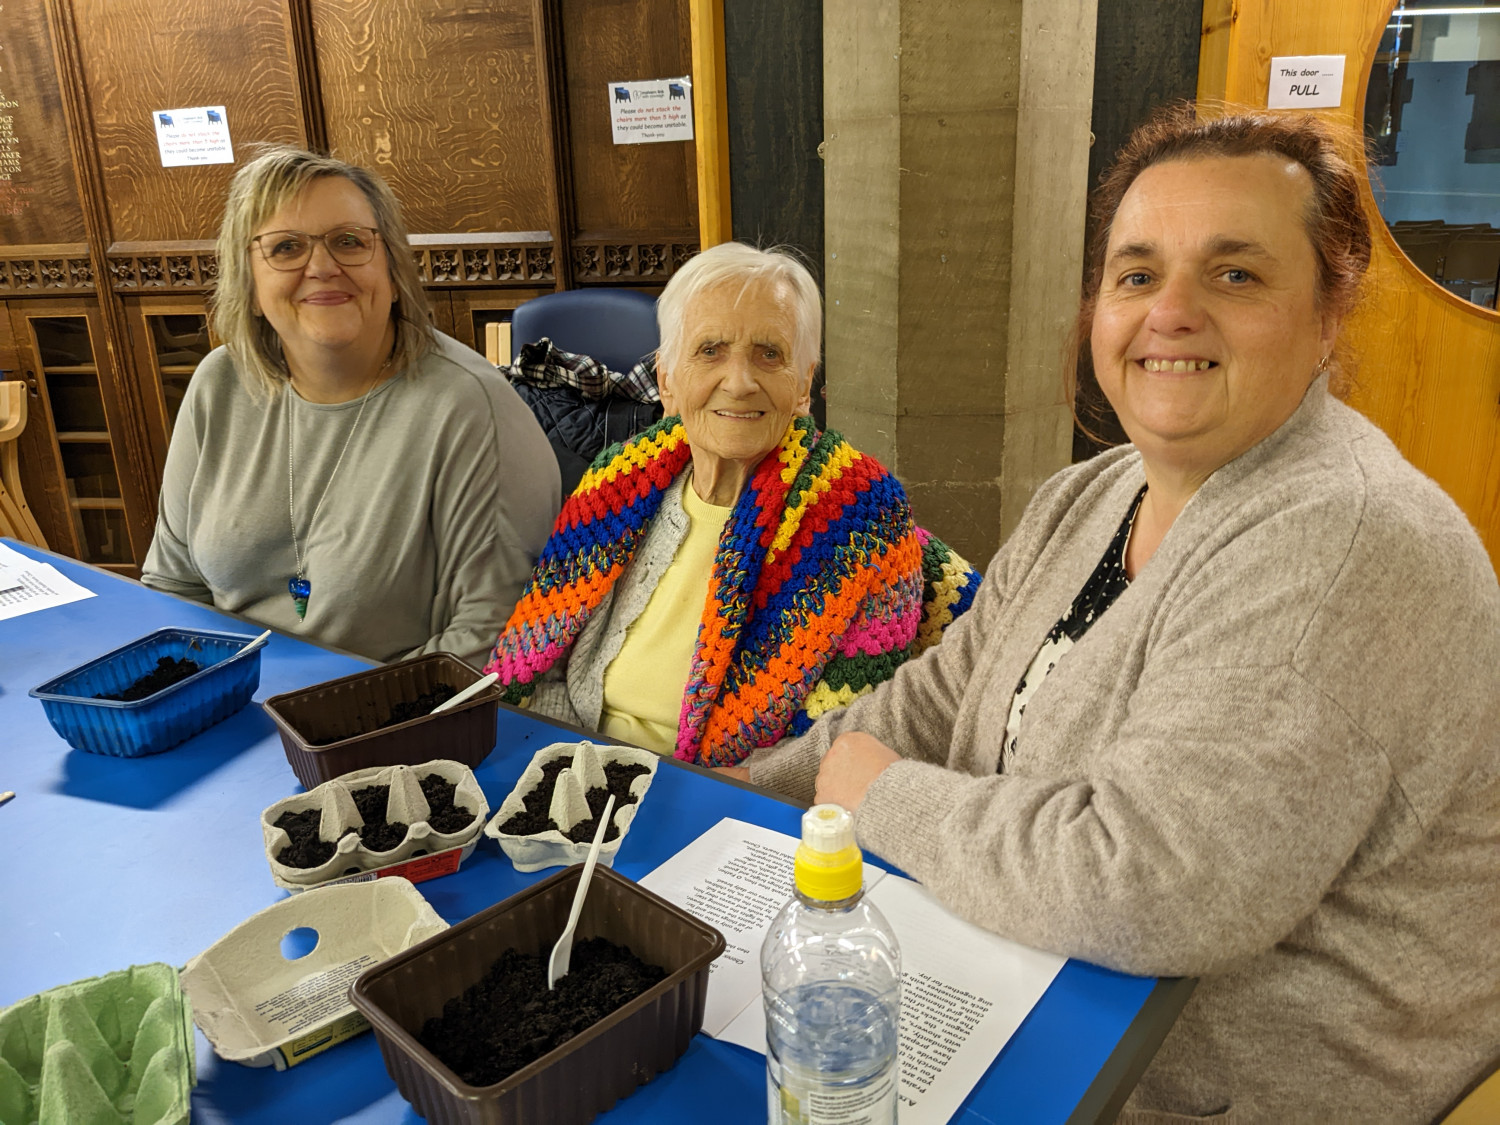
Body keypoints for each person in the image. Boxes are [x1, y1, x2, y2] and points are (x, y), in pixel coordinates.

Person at [741, 108, 1500, 1122]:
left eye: (1235, 275)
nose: (1170, 312)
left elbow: (1150, 883)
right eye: (1138, 275)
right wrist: (729, 802)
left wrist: (877, 802)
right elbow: (929, 703)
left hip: (1233, 1086)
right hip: (1042, 998)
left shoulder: (1342, 541)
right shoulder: (1091, 497)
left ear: (1329, 316)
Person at [485, 242, 979, 766]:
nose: (740, 382)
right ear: (667, 381)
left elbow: (844, 738)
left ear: (805, 383)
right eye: (710, 351)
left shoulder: (860, 522)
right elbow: (545, 660)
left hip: (737, 796)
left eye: (770, 354)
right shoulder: (617, 478)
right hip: (574, 763)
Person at [142, 147, 559, 666]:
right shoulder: (218, 384)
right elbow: (172, 584)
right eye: (286, 247)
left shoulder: (467, 406)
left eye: (348, 242)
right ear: (248, 283)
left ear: (392, 268)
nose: (321, 267)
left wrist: (319, 730)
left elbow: (485, 640)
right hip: (226, 700)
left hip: (391, 721)